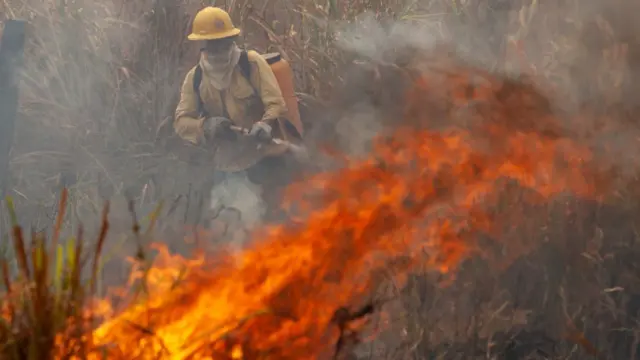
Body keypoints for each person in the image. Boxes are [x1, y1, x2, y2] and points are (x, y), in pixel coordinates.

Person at [174, 6, 303, 233]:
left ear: (232, 38)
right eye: (212, 44)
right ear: (202, 45)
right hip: (228, 166)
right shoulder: (194, 78)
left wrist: (265, 123)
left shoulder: (251, 63)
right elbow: (181, 122)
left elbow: (276, 103)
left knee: (280, 220)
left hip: (265, 156)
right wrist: (206, 126)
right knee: (235, 229)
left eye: (222, 41)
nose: (217, 49)